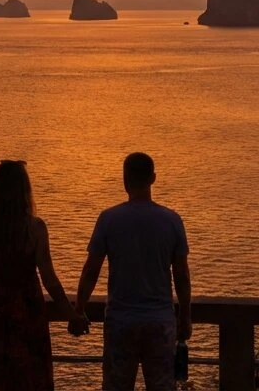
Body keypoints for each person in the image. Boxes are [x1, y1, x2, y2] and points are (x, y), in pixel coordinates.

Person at [74, 153, 191, 391]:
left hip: (121, 322)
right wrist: (185, 316)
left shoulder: (109, 219)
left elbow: (90, 271)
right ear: (153, 178)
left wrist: (79, 309)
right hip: (160, 322)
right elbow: (182, 276)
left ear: (124, 179)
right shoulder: (172, 221)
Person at [0, 160, 87, 391]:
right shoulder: (35, 228)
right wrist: (71, 314)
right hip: (27, 309)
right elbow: (49, 280)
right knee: (28, 377)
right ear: (25, 190)